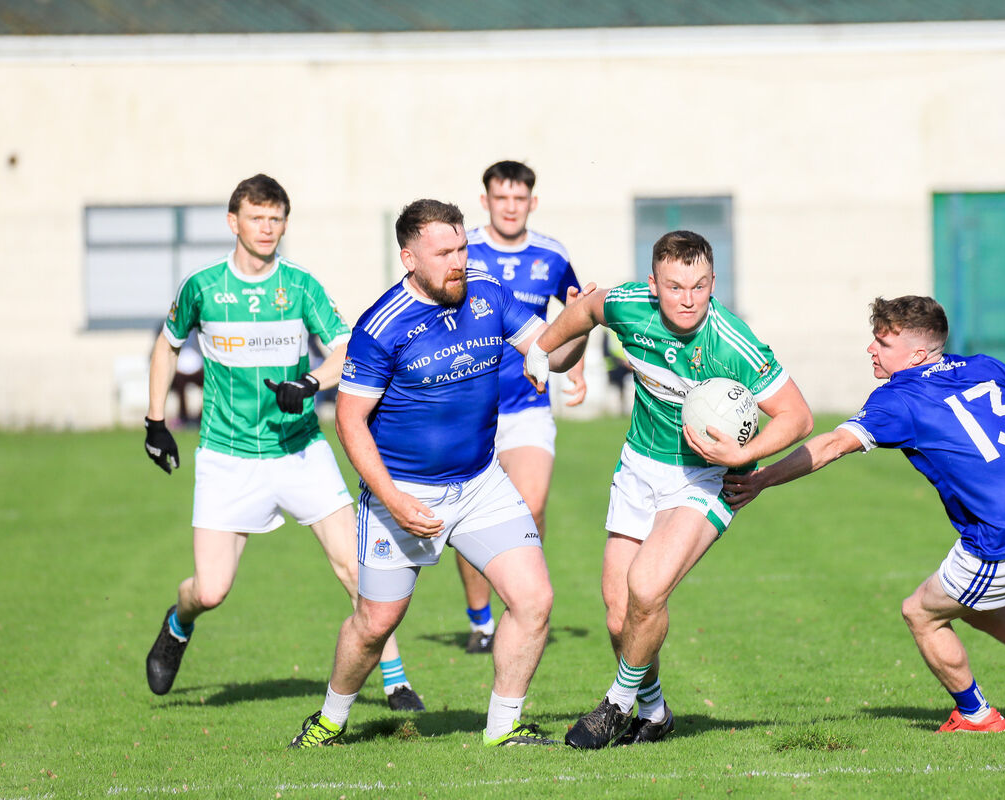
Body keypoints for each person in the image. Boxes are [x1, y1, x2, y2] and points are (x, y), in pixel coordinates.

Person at [723, 295, 1005, 732]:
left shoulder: (898, 399)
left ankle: (976, 715)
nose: (870, 349)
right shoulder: (983, 367)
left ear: (917, 353)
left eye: (882, 343)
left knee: (920, 613)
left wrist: (760, 478)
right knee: (978, 606)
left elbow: (830, 445)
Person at [288, 199, 589, 749]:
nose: (459, 260)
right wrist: (394, 502)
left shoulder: (488, 294)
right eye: (444, 252)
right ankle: (330, 718)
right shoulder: (380, 327)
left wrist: (583, 323)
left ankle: (503, 728)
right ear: (408, 257)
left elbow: (551, 354)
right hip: (402, 495)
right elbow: (349, 422)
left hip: (480, 483)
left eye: (462, 248)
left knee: (534, 601)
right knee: (375, 625)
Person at [142, 174, 423, 713]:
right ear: (234, 222)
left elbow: (347, 348)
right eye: (256, 217)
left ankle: (396, 680)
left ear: (285, 224)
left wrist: (312, 382)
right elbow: (167, 344)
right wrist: (156, 422)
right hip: (226, 457)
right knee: (210, 590)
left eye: (276, 219)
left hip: (300, 450)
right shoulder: (202, 287)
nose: (267, 228)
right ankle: (178, 623)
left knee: (358, 570)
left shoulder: (299, 287)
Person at [525, 230, 814, 748]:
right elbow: (587, 309)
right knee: (619, 614)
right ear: (654, 284)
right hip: (638, 466)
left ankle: (615, 706)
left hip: (704, 479)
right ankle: (654, 712)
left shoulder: (733, 344)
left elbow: (798, 416)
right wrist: (541, 349)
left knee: (647, 587)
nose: (688, 299)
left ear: (713, 283)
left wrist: (744, 455)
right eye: (676, 286)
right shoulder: (628, 305)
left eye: (700, 286)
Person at [452, 160, 587, 654]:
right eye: (500, 198)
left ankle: (521, 599)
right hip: (470, 407)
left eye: (519, 198)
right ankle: (481, 619)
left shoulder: (552, 255)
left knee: (531, 507)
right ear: (485, 200)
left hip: (529, 405)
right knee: (465, 519)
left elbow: (577, 312)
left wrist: (577, 366)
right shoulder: (461, 250)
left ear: (533, 202)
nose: (510, 207)